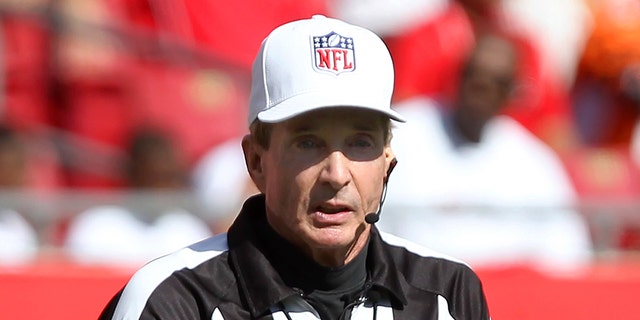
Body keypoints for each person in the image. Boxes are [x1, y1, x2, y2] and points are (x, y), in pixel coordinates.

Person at [99, 15, 490, 319]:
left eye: (359, 143)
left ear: (387, 162)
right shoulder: (175, 302)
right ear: (256, 161)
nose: (336, 175)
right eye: (308, 143)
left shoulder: (448, 294)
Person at [380, 31, 593, 271]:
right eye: (474, 75)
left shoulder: (534, 164)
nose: (481, 89)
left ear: (513, 92)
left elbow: (568, 256)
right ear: (458, 76)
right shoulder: (400, 136)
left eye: (496, 82)